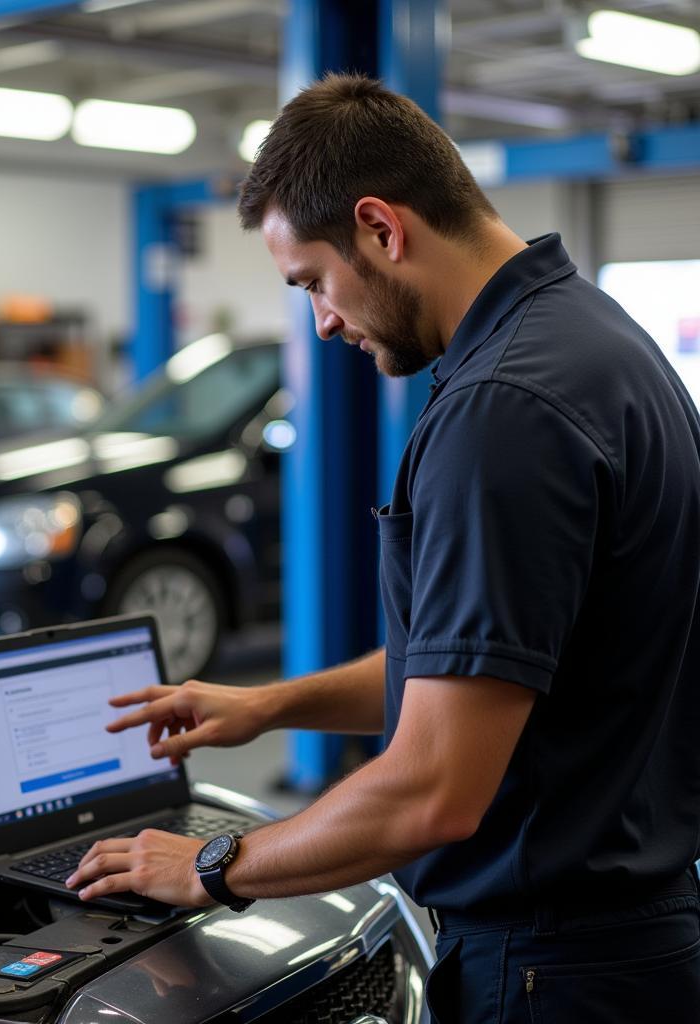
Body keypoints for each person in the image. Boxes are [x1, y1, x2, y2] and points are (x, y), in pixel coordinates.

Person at [65, 73, 700, 1022]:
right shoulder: (596, 339)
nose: (322, 320)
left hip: (551, 970)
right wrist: (271, 706)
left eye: (314, 281)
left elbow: (434, 789)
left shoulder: (503, 413)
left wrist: (210, 866)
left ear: (381, 228)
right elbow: (489, 666)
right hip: (630, 941)